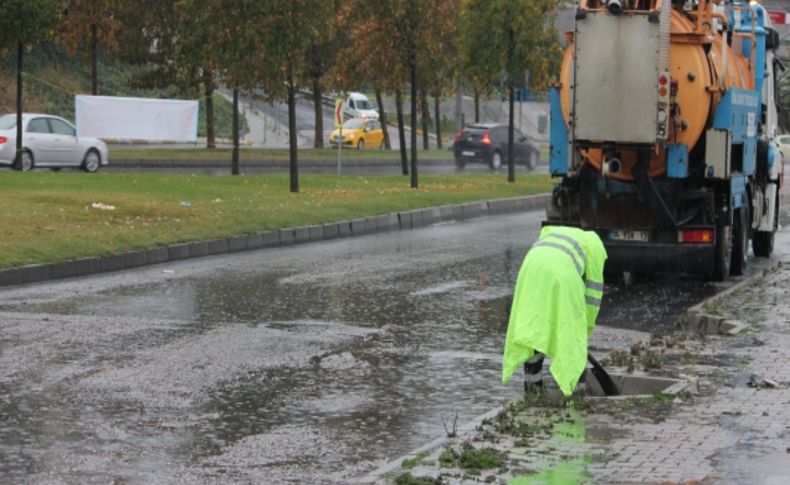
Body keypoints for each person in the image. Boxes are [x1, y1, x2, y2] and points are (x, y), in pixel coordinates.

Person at [502, 225, 607, 397]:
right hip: (561, 274)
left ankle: (533, 390)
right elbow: (593, 296)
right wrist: (583, 330)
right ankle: (576, 393)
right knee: (572, 340)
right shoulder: (595, 247)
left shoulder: (553, 235)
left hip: (530, 269)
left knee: (533, 328)